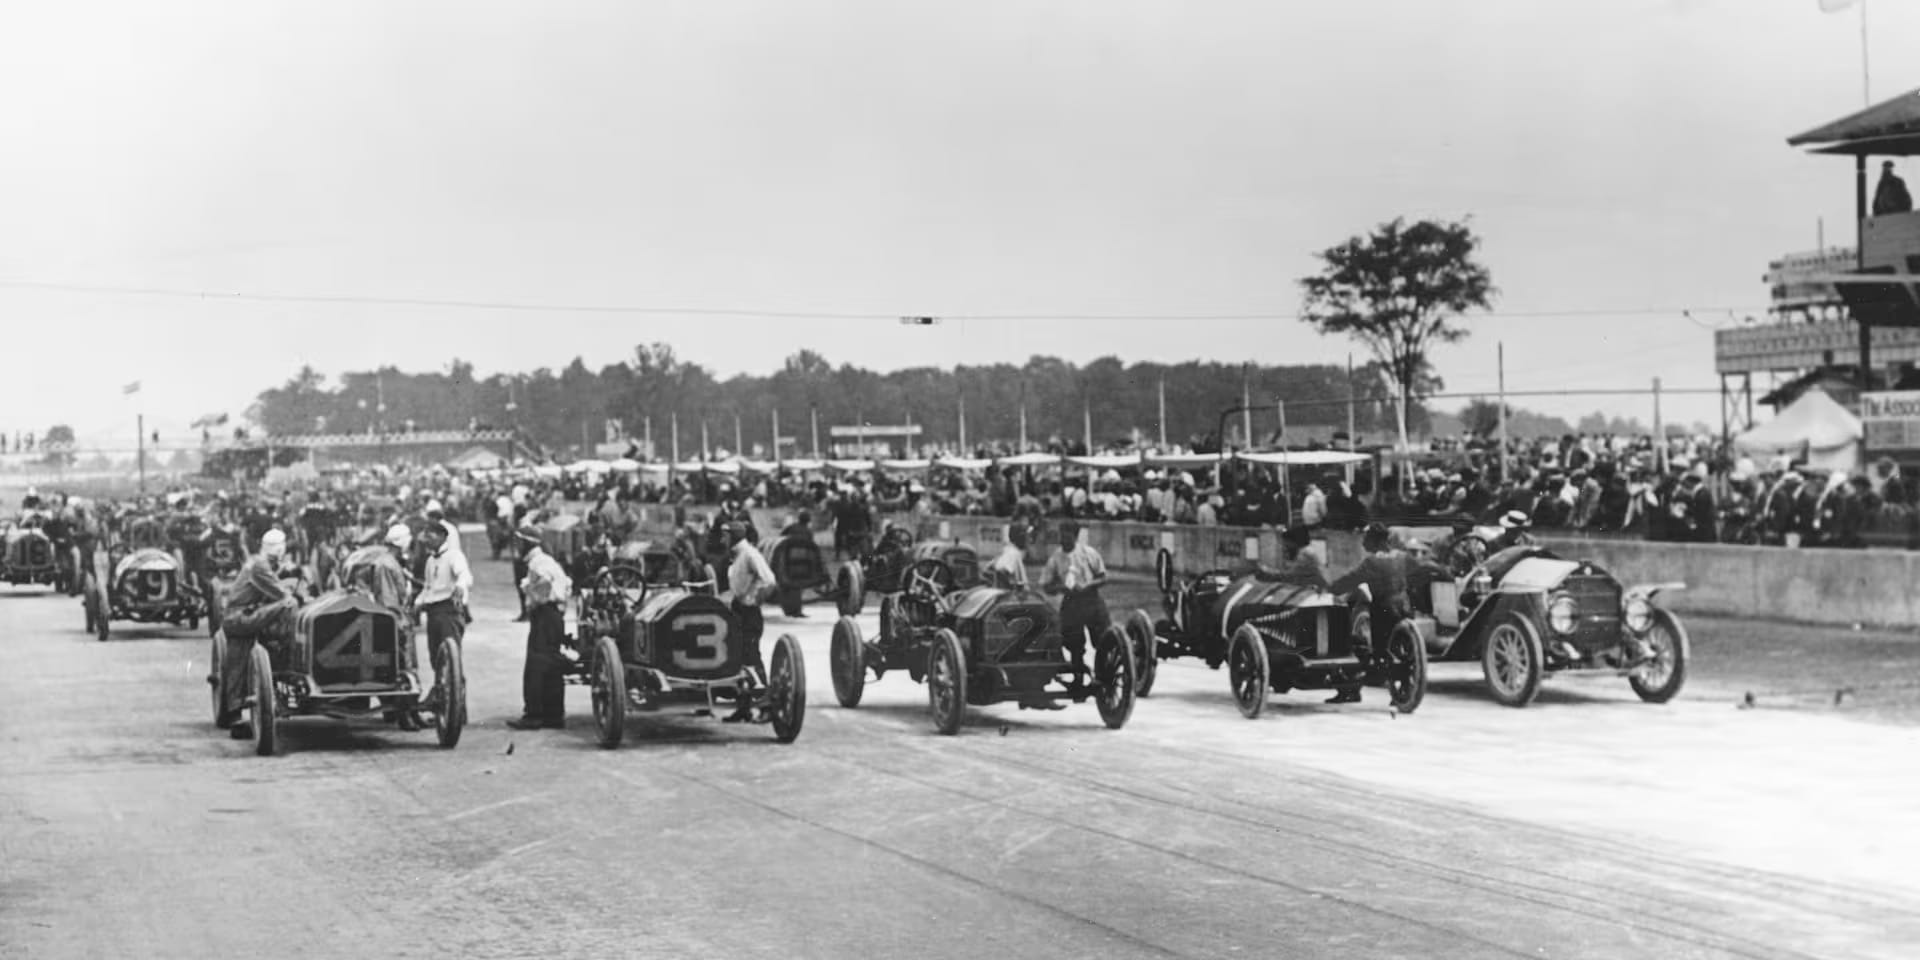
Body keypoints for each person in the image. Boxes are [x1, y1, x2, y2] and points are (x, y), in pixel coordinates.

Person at [217, 529, 302, 740]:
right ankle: (289, 650)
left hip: (239, 616)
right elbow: (281, 594)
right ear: (280, 550)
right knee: (289, 604)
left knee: (238, 661)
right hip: (240, 618)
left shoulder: (257, 563)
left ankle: (234, 710)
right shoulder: (260, 566)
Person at [1325, 523, 1410, 704]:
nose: (1363, 543)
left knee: (1353, 640)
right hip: (1404, 608)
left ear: (1374, 540)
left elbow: (1350, 580)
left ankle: (1350, 688)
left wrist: (1328, 589)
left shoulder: (1372, 562)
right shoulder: (1402, 557)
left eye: (1366, 539)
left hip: (1383, 611)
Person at [509, 523, 572, 731]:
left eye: (519, 542)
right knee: (552, 665)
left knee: (536, 666)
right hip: (553, 616)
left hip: (545, 615)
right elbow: (566, 584)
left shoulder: (539, 562)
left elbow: (545, 584)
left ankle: (534, 715)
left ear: (526, 543)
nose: (516, 546)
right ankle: (553, 716)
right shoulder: (545, 560)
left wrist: (533, 597)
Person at [413, 521, 473, 711]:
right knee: (436, 659)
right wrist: (417, 603)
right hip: (433, 612)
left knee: (452, 660)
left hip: (449, 611)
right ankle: (443, 704)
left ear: (441, 536)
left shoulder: (454, 556)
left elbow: (465, 575)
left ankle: (458, 710)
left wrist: (460, 587)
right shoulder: (430, 561)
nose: (426, 540)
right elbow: (428, 587)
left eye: (430, 535)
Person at [1040, 520, 1109, 683]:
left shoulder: (1088, 553)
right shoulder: (1055, 558)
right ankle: (1078, 678)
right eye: (1061, 535)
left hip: (1092, 600)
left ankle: (1104, 675)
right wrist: (1061, 588)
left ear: (1075, 536)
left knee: (1102, 639)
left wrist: (1087, 585)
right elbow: (1046, 585)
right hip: (1071, 602)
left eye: (1067, 536)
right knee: (1074, 643)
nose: (1063, 539)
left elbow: (1103, 577)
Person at [722, 521, 777, 722]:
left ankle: (766, 706)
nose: (722, 539)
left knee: (752, 657)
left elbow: (769, 580)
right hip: (739, 609)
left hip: (749, 613)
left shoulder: (750, 554)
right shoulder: (738, 555)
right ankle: (743, 707)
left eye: (725, 536)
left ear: (733, 536)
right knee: (738, 658)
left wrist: (754, 599)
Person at [1255, 525, 1330, 590]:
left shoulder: (1305, 554)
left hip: (1317, 590)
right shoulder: (1306, 550)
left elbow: (1291, 576)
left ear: (1294, 541)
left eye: (1286, 542)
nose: (1285, 545)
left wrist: (1268, 572)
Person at [984, 521, 1030, 588]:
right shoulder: (1012, 553)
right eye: (1025, 536)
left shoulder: (1011, 551)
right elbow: (1001, 572)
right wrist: (1010, 588)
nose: (1028, 539)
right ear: (1020, 537)